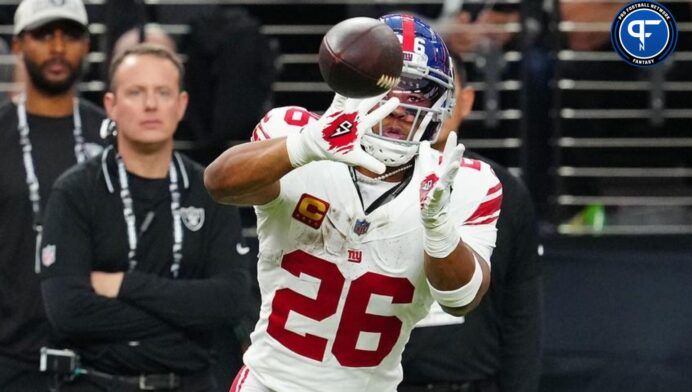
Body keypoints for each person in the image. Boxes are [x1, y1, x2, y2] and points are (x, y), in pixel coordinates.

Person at [205, 14, 502, 392]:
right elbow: (218, 184)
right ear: (354, 85)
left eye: (418, 92)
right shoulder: (294, 133)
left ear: (440, 104)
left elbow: (462, 300)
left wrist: (439, 228)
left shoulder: (465, 183)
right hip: (269, 384)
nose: (400, 107)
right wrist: (305, 147)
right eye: (390, 88)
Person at [39, 43, 255, 392]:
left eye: (163, 92)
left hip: (189, 383)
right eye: (136, 92)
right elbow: (68, 311)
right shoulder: (76, 190)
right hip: (97, 382)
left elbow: (230, 302)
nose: (151, 104)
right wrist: (188, 318)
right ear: (111, 105)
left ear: (181, 104)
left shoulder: (211, 190)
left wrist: (124, 285)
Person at [399, 62, 542, 392]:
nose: (429, 106)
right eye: (418, 91)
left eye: (441, 93)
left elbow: (522, 313)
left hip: (470, 381)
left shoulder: (499, 186)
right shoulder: (357, 179)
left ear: (466, 100)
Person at [0, 1, 105, 390]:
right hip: (11, 360)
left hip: (101, 359)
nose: (58, 47)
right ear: (17, 46)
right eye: (44, 34)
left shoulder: (113, 136)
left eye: (71, 34)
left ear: (87, 45)